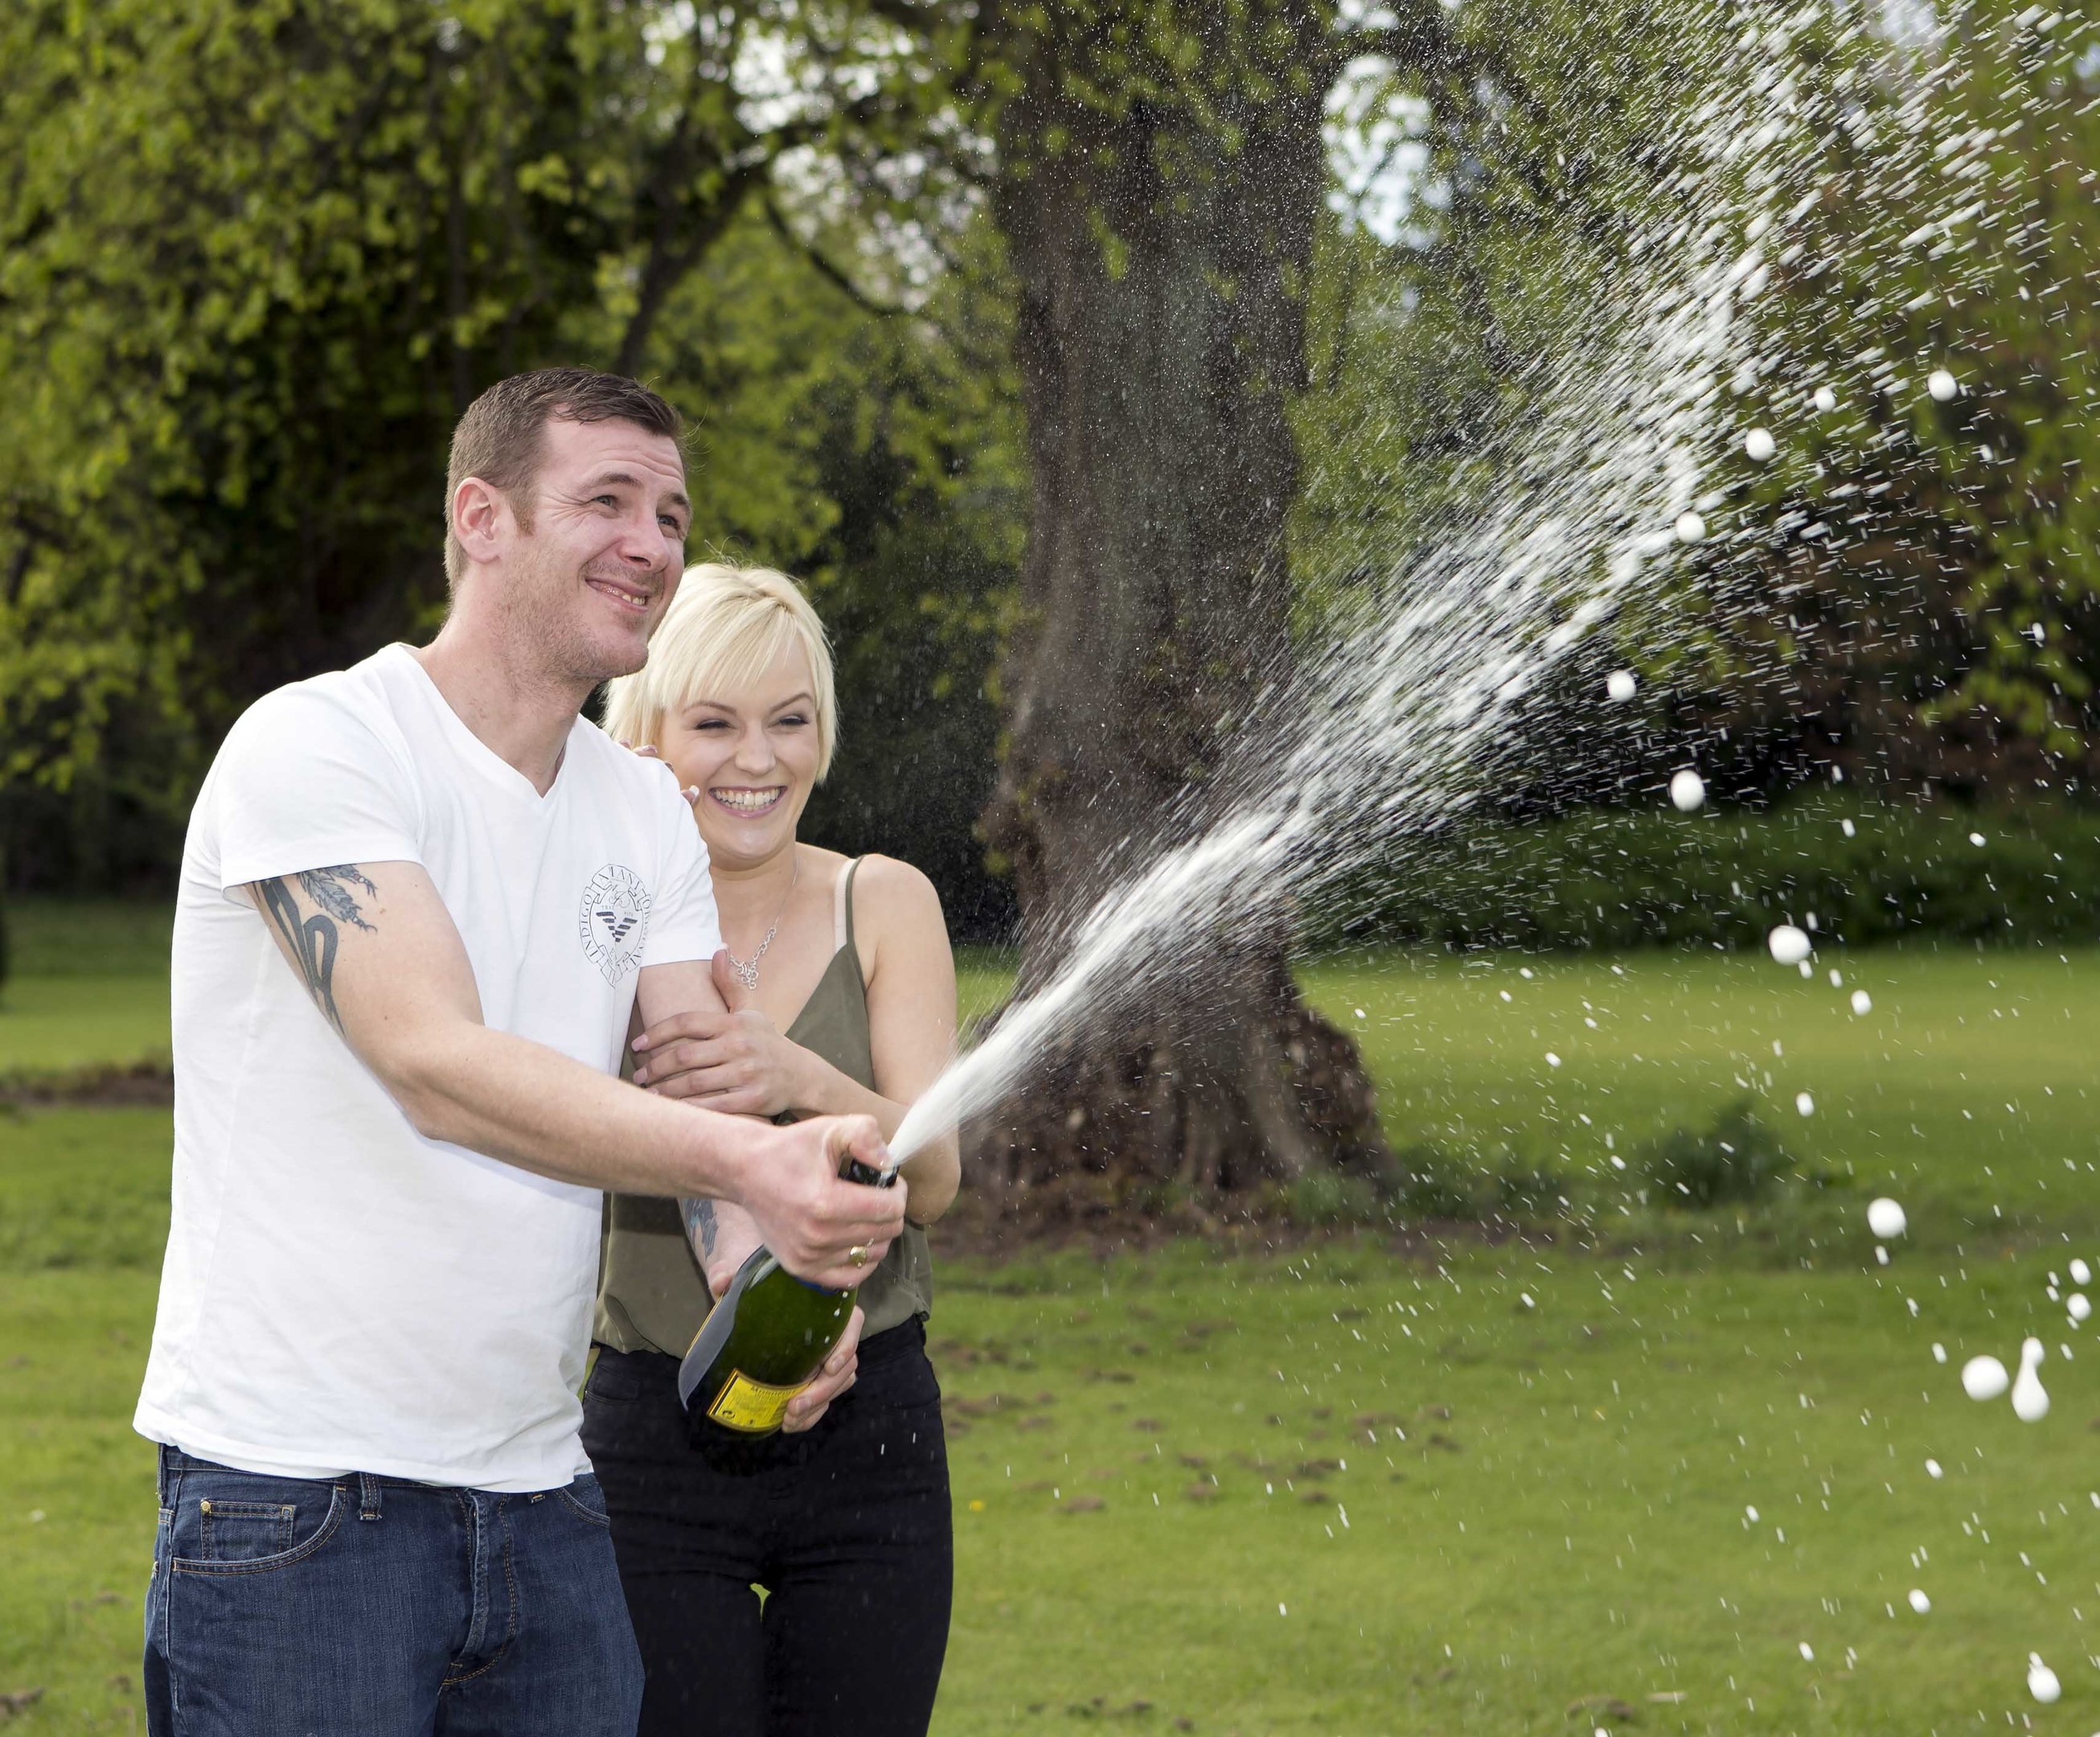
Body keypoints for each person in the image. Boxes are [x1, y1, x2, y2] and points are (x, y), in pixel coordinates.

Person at [134, 371, 905, 1737]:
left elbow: (694, 1071)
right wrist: (750, 1156)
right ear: (480, 517)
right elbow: (434, 1061)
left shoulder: (641, 809)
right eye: (605, 500)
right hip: (297, 1499)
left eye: (671, 513)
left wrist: (756, 1273)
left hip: (544, 1500)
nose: (652, 543)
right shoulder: (318, 746)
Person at [586, 563, 963, 1737]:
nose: (757, 759)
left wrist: (802, 1076)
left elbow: (937, 1181)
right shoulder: (597, 915)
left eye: (789, 721)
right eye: (714, 723)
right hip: (656, 1433)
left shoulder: (884, 901)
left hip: (874, 1432)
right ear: (643, 738)